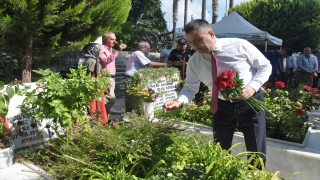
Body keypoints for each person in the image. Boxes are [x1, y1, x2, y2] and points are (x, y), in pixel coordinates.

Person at [162, 19, 272, 165]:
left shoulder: (239, 45)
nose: (194, 46)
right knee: (220, 150)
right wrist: (179, 102)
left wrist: (252, 87)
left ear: (211, 34)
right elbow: (190, 88)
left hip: (250, 104)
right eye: (191, 42)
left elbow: (265, 66)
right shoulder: (195, 61)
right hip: (221, 107)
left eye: (197, 40)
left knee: (256, 150)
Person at [125, 41, 167, 112]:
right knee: (130, 97)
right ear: (142, 47)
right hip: (131, 78)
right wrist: (165, 64)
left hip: (136, 78)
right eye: (148, 48)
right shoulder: (138, 53)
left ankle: (135, 113)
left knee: (136, 97)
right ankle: (129, 114)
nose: (149, 50)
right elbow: (150, 64)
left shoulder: (140, 54)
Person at [99, 32, 127, 114]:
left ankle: (105, 116)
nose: (114, 41)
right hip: (105, 78)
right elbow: (105, 61)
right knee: (111, 99)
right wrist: (118, 51)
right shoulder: (101, 48)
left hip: (111, 78)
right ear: (105, 39)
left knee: (108, 99)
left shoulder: (110, 49)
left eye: (114, 39)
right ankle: (103, 115)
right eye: (111, 39)